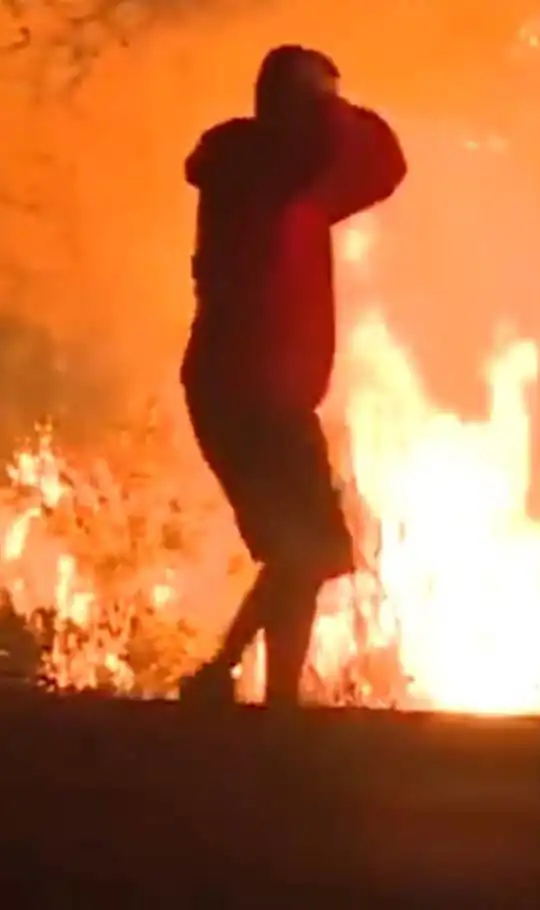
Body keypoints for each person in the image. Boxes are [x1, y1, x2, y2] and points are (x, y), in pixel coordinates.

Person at [177, 45, 407, 707]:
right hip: (249, 390)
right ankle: (234, 682)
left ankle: (255, 690)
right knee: (304, 547)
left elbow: (384, 166)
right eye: (319, 101)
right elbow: (381, 155)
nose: (329, 114)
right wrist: (330, 109)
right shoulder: (268, 169)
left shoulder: (277, 178)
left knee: (301, 551)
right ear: (293, 107)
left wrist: (319, 105)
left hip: (256, 389)